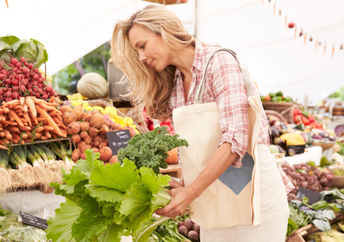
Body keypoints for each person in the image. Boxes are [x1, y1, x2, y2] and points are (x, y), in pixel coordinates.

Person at [111, 5, 293, 242]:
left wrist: (189, 192)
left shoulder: (220, 62)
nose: (141, 57)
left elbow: (235, 140)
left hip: (255, 198)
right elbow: (198, 148)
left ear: (164, 31)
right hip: (215, 201)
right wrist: (182, 185)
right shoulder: (176, 84)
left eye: (142, 46)